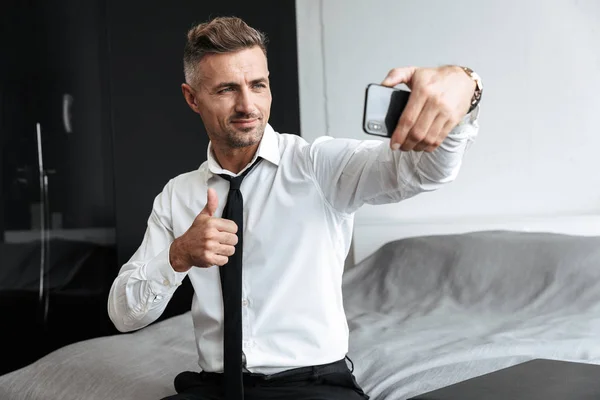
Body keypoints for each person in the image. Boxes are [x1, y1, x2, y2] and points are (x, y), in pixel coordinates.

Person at [107, 15, 482, 400]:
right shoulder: (177, 196)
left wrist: (464, 89)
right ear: (192, 98)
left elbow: (425, 173)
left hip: (312, 386)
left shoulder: (319, 166)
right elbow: (123, 314)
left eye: (258, 85)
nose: (247, 104)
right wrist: (178, 256)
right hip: (214, 389)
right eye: (225, 90)